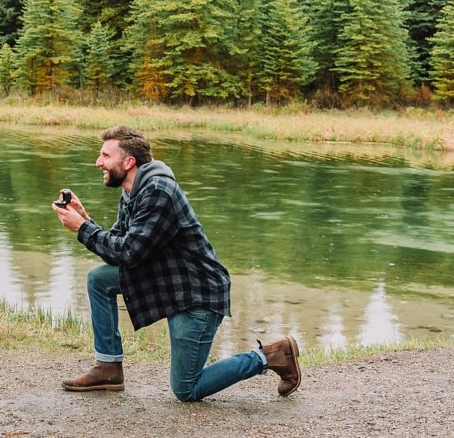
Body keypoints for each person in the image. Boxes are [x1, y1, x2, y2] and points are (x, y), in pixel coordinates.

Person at [52, 125, 301, 402]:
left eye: (105, 156)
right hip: (170, 283)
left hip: (197, 293)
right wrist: (85, 219)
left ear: (129, 162)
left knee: (186, 389)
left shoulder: (158, 191)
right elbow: (118, 251)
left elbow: (129, 253)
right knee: (99, 279)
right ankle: (108, 368)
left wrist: (82, 228)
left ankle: (271, 356)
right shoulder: (132, 191)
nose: (98, 162)